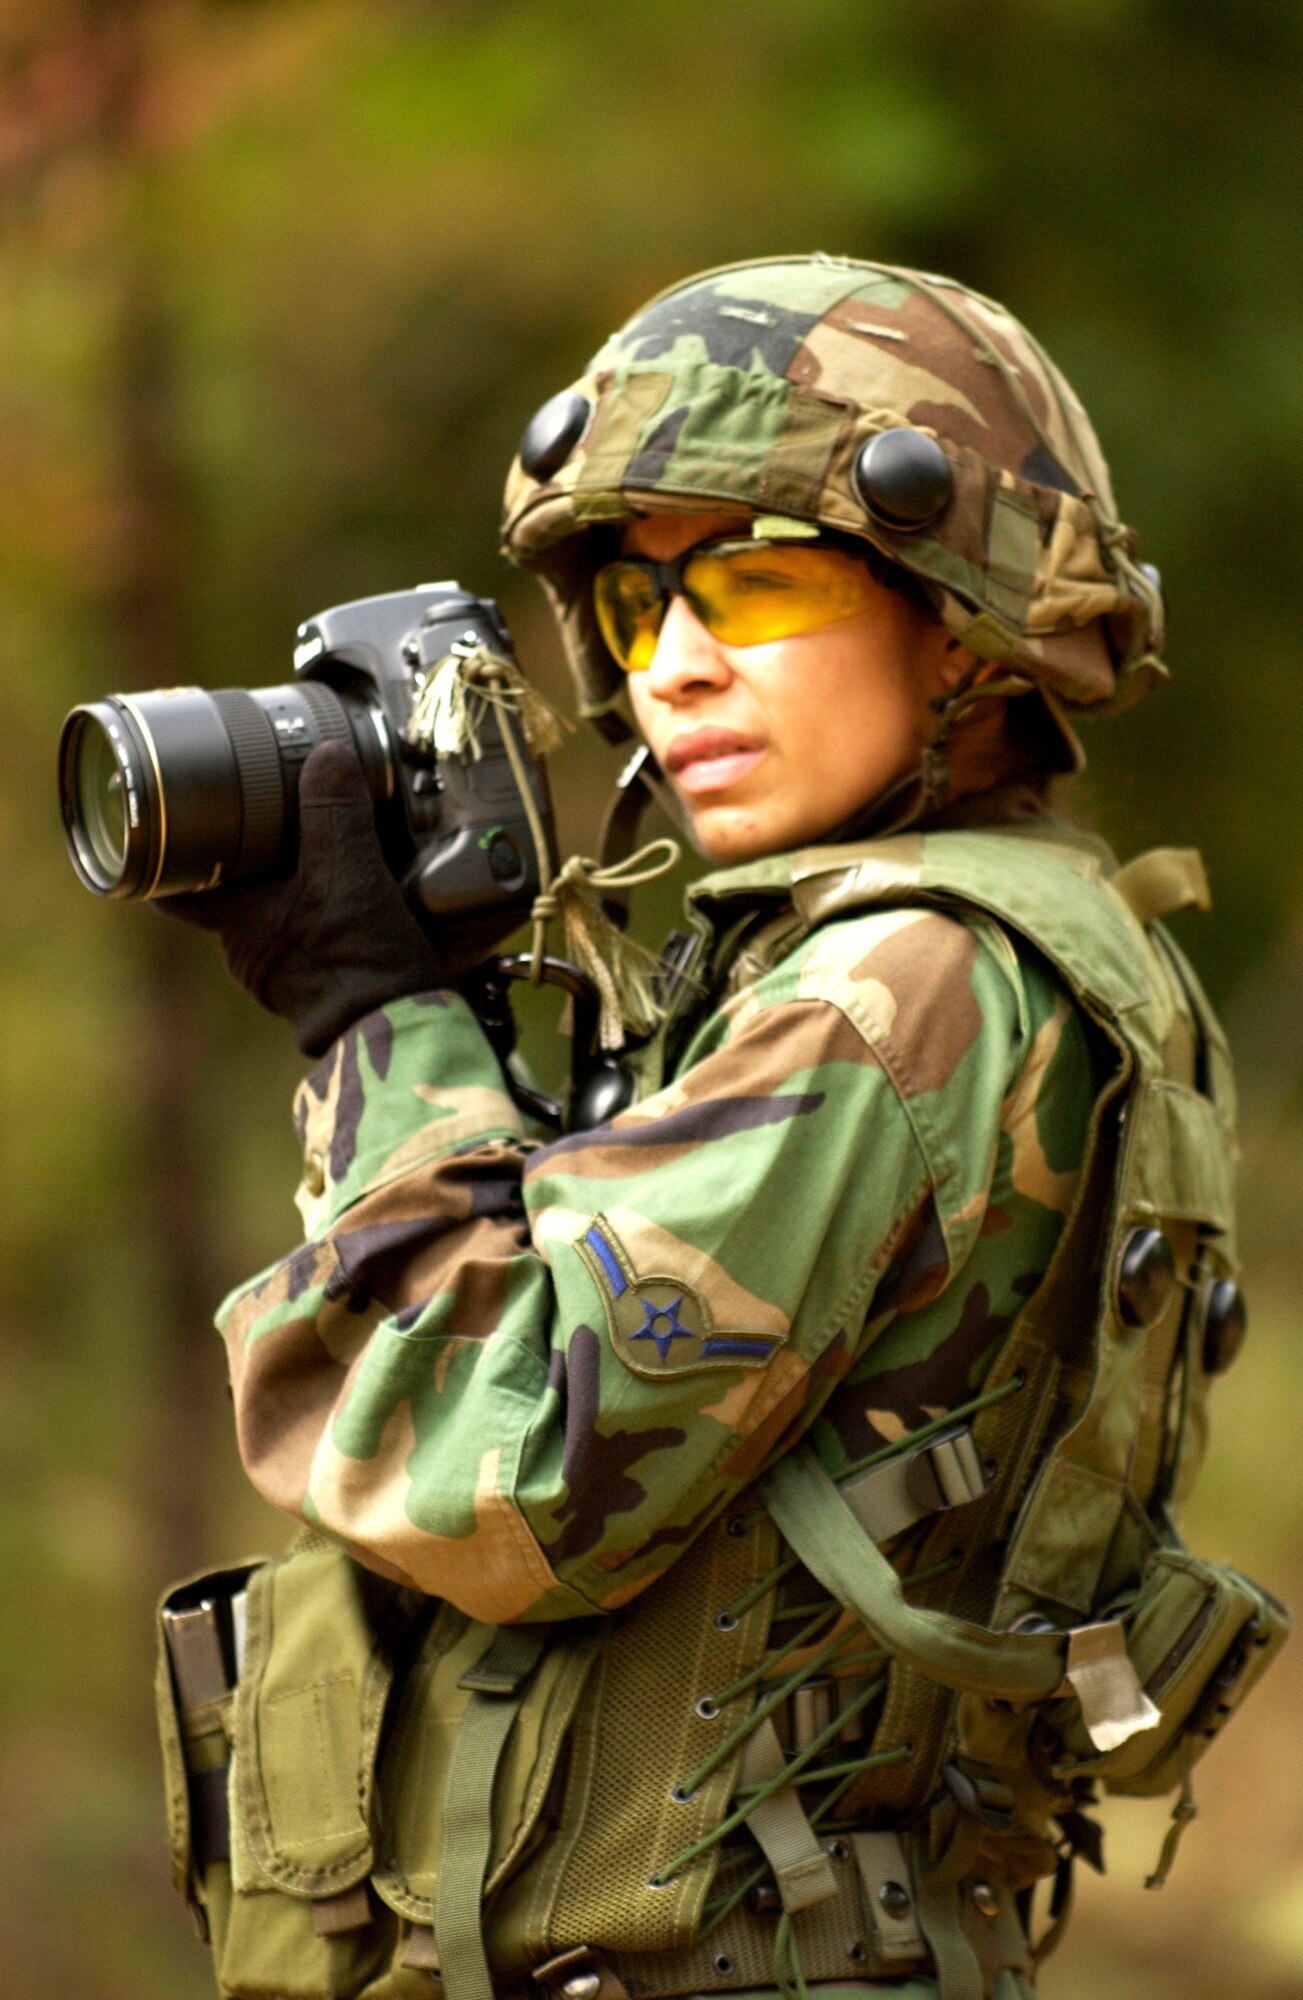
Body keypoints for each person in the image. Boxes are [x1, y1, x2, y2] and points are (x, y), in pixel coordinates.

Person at [154, 258, 1284, 2000]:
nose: (671, 668)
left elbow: (493, 1474)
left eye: (753, 585)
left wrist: (379, 1032)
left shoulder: (893, 991)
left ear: (961, 612)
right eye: (630, 604)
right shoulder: (1049, 949)